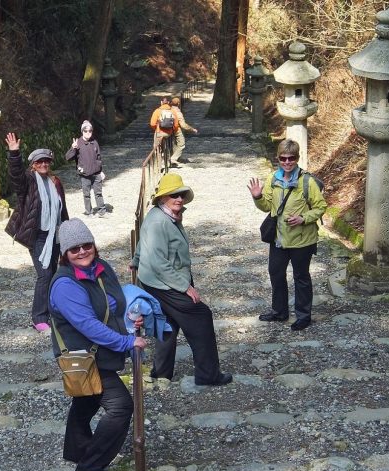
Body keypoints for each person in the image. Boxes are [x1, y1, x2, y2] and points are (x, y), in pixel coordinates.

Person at [49, 218, 147, 471]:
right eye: (74, 248)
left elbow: (114, 304)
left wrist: (129, 320)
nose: (82, 251)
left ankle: (78, 451)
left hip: (99, 351)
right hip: (85, 355)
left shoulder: (101, 268)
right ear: (65, 254)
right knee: (120, 406)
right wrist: (127, 342)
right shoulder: (65, 285)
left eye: (86, 245)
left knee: (87, 399)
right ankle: (90, 467)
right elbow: (88, 325)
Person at [131, 173, 232, 386]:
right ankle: (208, 375)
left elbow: (143, 241)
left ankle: (161, 373)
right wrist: (185, 287)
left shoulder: (164, 215)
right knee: (201, 316)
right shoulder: (159, 221)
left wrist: (137, 259)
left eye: (181, 195)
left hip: (160, 279)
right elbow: (158, 262)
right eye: (174, 195)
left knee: (168, 322)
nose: (179, 199)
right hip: (162, 282)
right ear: (162, 197)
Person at [247, 139, 327, 331]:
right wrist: (258, 197)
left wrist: (303, 218)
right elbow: (267, 206)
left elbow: (321, 207)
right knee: (276, 274)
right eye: (283, 158)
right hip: (279, 238)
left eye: (291, 158)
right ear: (278, 158)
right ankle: (279, 311)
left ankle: (303, 316)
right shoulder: (273, 179)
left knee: (301, 277)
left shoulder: (307, 181)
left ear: (297, 158)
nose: (287, 162)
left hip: (302, 240)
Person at [4, 132, 69, 332]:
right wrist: (14, 153)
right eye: (39, 162)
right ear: (33, 165)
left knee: (54, 272)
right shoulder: (29, 181)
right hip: (37, 235)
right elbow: (16, 177)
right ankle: (38, 317)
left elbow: (62, 209)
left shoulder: (55, 182)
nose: (43, 164)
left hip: (54, 234)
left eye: (46, 161)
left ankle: (53, 311)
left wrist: (67, 233)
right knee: (44, 274)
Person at [65, 120, 106, 218]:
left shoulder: (94, 142)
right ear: (82, 131)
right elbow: (68, 158)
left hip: (96, 173)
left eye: (90, 131)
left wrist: (101, 171)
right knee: (86, 195)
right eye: (85, 131)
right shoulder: (77, 143)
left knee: (98, 193)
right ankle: (89, 212)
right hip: (85, 174)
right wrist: (73, 148)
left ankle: (102, 212)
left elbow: (99, 158)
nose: (88, 133)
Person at [169, 96, 198, 165]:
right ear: (178, 103)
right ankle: (173, 159)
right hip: (177, 130)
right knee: (181, 144)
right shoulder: (177, 112)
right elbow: (183, 125)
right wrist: (192, 129)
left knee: (174, 145)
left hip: (169, 130)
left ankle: (177, 158)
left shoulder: (169, 110)